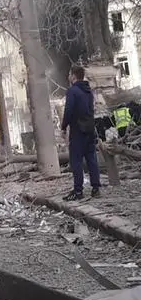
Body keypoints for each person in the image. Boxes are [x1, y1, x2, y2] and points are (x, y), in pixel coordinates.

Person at [61, 65, 101, 201]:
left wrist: (63, 127)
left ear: (73, 75)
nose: (68, 76)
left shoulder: (72, 91)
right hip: (90, 129)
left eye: (69, 74)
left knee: (76, 161)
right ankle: (96, 188)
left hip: (78, 130)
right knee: (91, 159)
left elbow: (68, 111)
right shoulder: (89, 91)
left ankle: (78, 191)